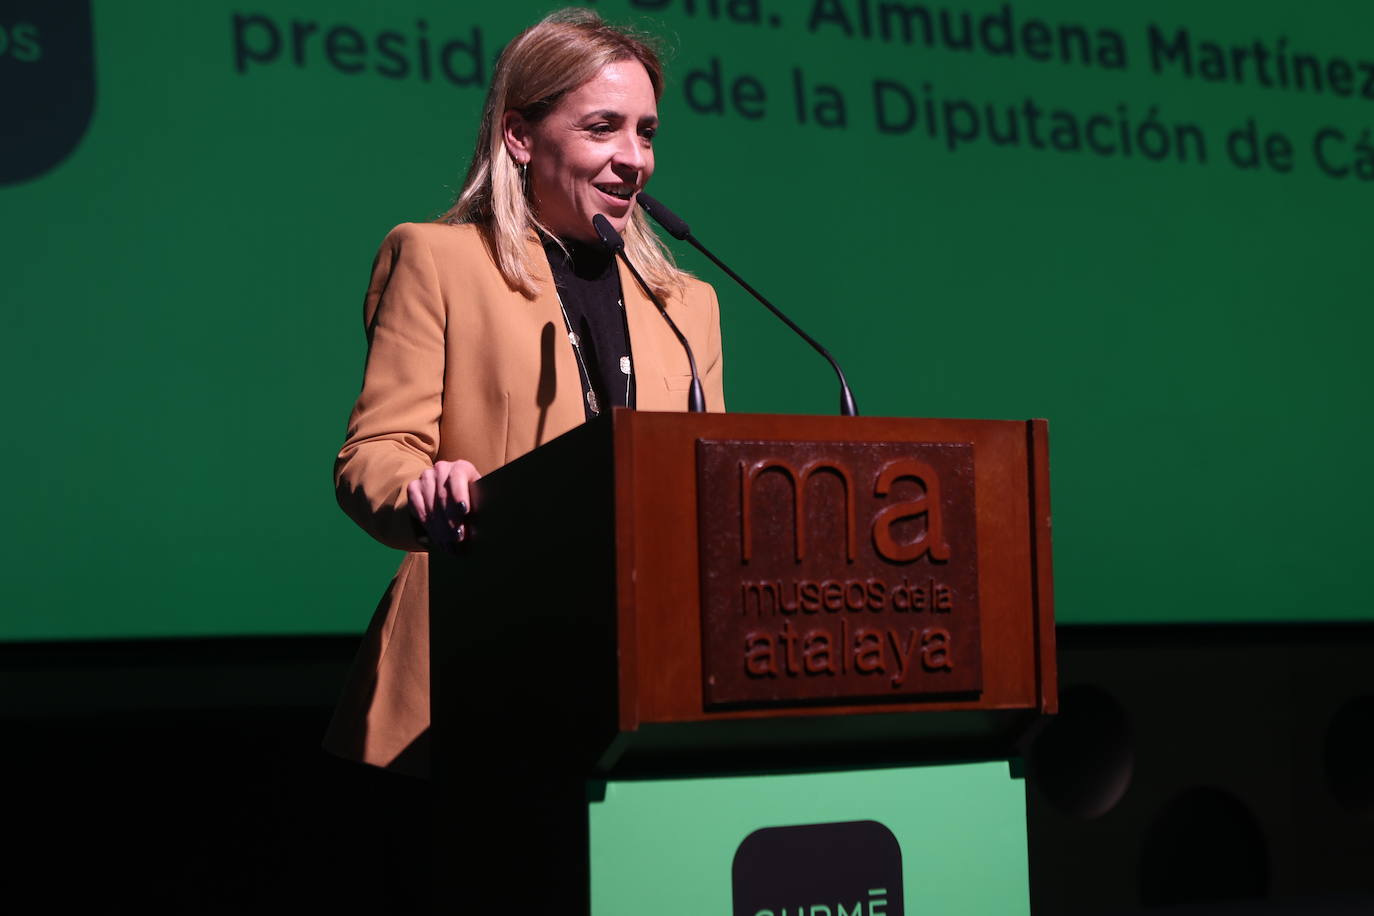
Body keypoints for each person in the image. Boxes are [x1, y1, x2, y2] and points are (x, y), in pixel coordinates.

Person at [324, 9, 726, 779]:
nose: (632, 158)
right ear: (519, 136)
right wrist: (424, 492)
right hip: (477, 664)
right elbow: (373, 453)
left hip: (647, 674)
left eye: (646, 132)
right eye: (603, 127)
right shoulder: (438, 261)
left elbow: (707, 485)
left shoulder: (688, 303)